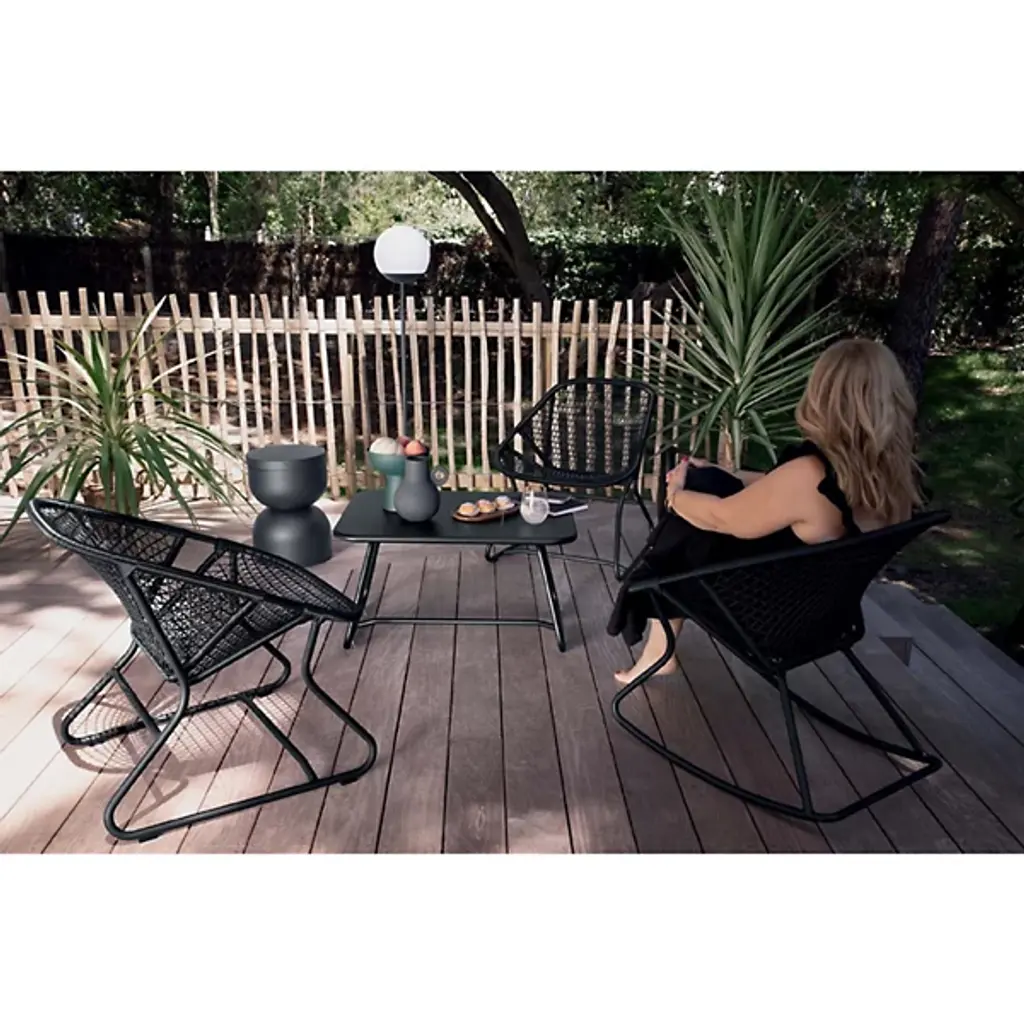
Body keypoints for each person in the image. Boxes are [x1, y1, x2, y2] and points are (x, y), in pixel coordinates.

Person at [608, 337, 924, 685]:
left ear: (824, 396)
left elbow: (721, 517)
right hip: (824, 611)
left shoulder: (810, 477)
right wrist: (722, 472)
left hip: (769, 618)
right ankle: (656, 643)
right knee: (708, 484)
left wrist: (677, 494)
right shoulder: (892, 479)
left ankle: (655, 643)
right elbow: (776, 488)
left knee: (687, 526)